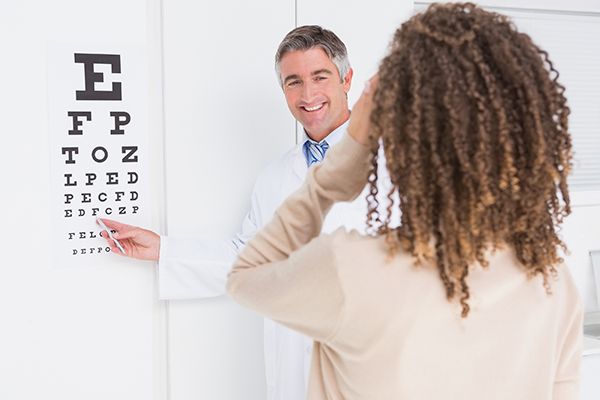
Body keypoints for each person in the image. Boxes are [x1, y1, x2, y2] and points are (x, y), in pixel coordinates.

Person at [227, 3, 583, 399]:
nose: (308, 93)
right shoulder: (554, 282)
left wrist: (331, 178)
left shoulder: (356, 266)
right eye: (294, 82)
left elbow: (247, 276)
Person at [100, 26, 391, 400]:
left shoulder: (394, 162)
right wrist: (163, 249)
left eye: (320, 77)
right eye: (293, 82)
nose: (308, 94)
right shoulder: (274, 177)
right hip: (296, 369)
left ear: (346, 79)